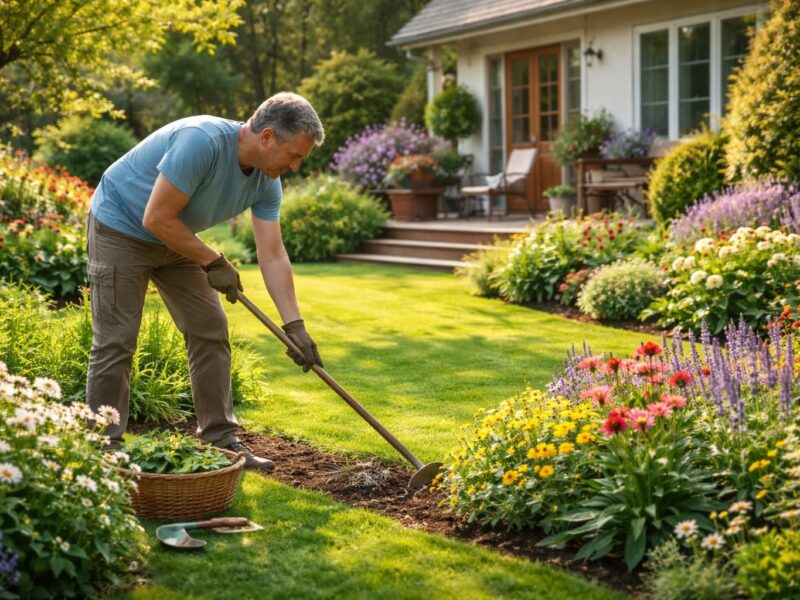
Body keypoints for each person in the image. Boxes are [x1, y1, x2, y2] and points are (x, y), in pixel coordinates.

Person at [85, 92, 325, 470]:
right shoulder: (201, 141)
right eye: (294, 155)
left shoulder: (267, 182)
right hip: (120, 227)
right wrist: (213, 260)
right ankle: (103, 448)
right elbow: (156, 218)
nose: (295, 166)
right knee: (117, 339)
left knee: (210, 328)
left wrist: (294, 325)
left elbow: (273, 254)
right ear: (266, 137)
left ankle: (221, 439)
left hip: (175, 236)